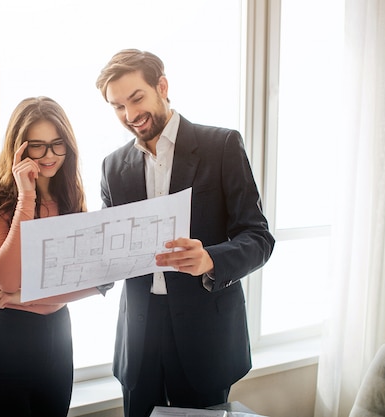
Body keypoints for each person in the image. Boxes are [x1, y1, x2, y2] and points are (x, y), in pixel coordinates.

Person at [95, 49, 275, 417]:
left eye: (136, 98)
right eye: (117, 106)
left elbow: (258, 237)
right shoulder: (113, 167)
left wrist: (211, 258)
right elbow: (105, 251)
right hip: (139, 338)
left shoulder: (222, 146)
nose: (130, 116)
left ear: (162, 86)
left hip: (205, 336)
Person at [0, 96, 107, 417]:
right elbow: (7, 278)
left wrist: (22, 295)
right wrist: (26, 196)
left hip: (58, 339)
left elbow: (95, 282)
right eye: (38, 146)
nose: (49, 156)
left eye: (58, 144)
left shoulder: (70, 197)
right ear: (19, 149)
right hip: (7, 343)